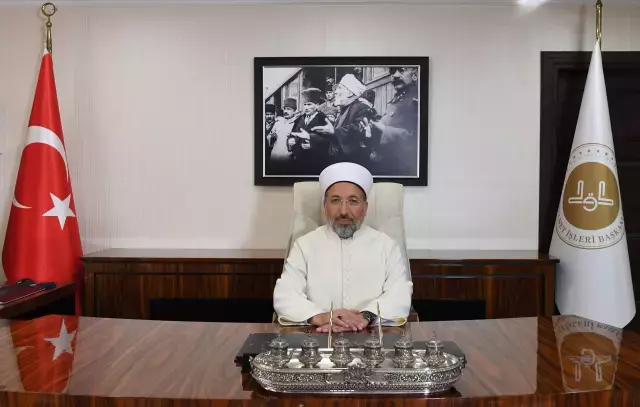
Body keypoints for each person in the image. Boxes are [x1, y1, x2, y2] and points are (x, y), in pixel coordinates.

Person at [272, 162, 413, 332]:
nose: (344, 211)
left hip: (372, 336)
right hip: (318, 336)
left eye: (353, 201)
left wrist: (365, 317)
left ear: (365, 207)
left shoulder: (387, 246)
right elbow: (285, 294)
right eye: (335, 200)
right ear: (325, 206)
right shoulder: (305, 245)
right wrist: (321, 317)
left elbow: (400, 294)